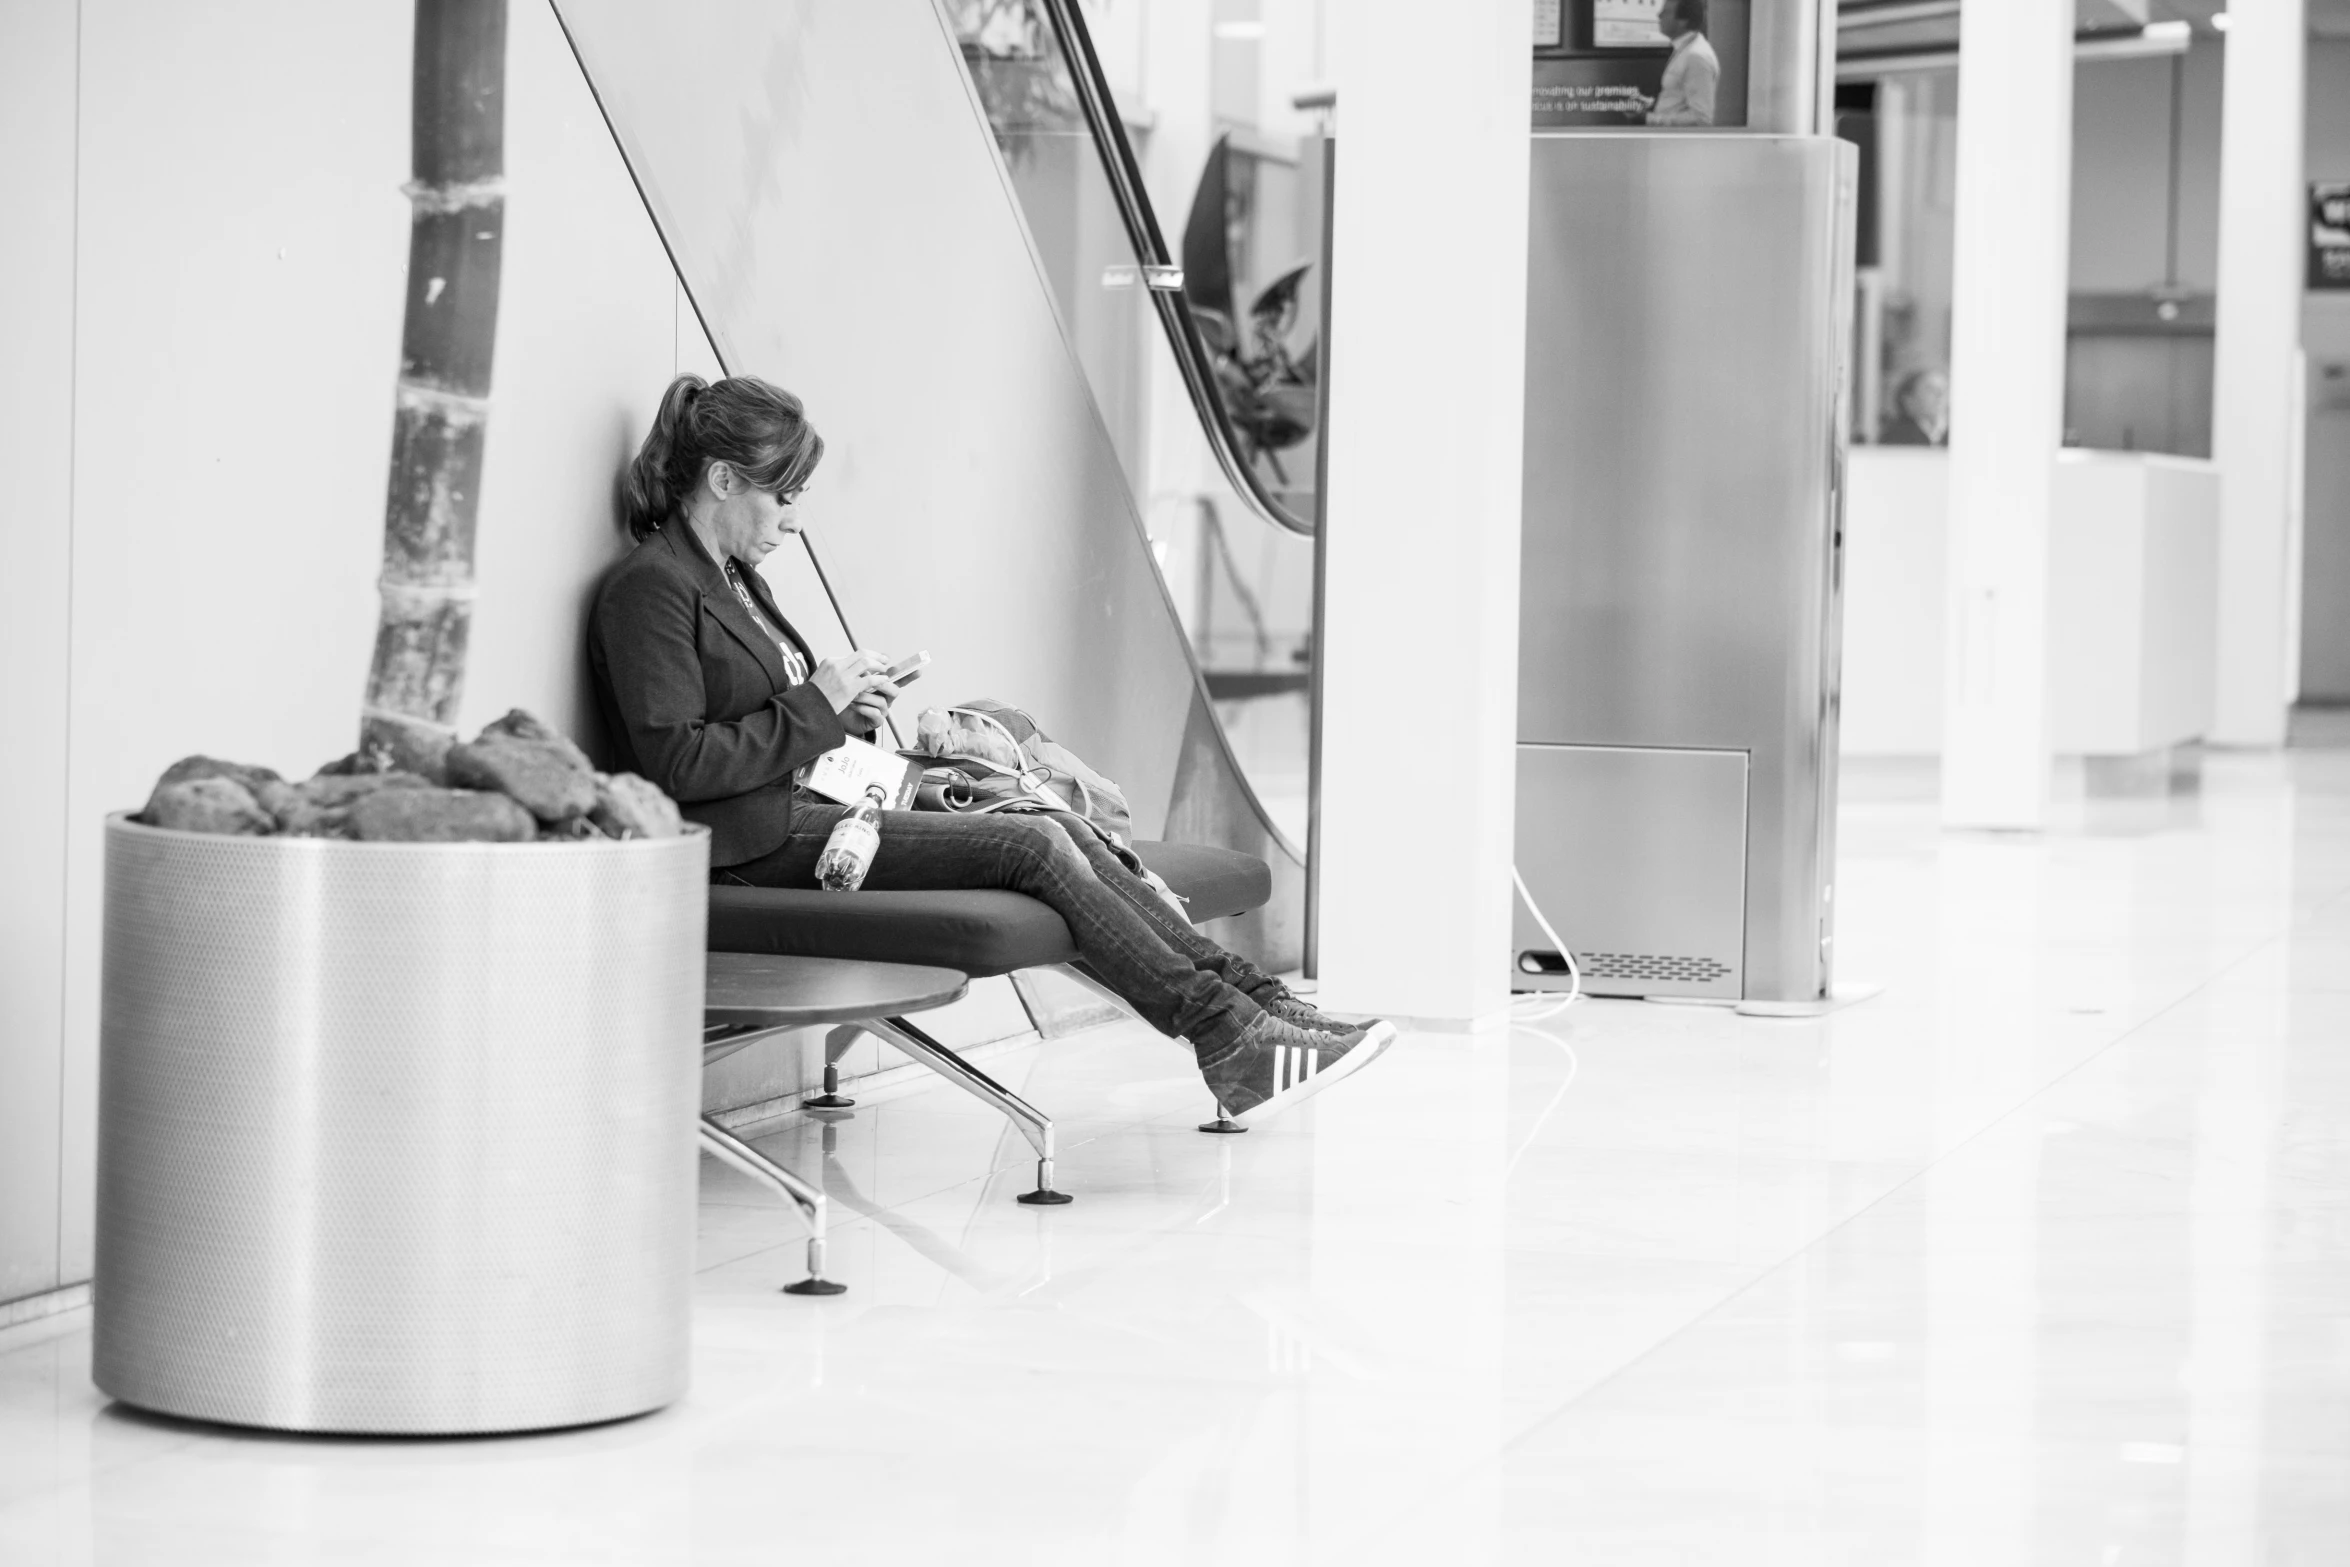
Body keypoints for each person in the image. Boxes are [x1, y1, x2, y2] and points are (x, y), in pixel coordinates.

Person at [587, 374, 1396, 1125]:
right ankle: (1231, 1039)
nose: (793, 520)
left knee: (1054, 821)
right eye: (784, 497)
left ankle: (1257, 1008)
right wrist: (817, 703)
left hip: (812, 809)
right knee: (1032, 840)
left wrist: (848, 711)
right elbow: (677, 765)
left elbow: (776, 721)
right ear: (725, 480)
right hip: (746, 846)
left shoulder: (730, 577)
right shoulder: (650, 589)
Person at [1645, 0, 1719, 128]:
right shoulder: (1684, 49)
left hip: (1678, 146)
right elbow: (1677, 99)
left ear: (1682, 21)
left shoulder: (1697, 57)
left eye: (1666, 12)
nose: (1659, 15)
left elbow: (1701, 119)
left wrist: (1650, 119)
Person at [1879, 367, 1950, 446]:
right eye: (1930, 389)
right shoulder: (1893, 438)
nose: (1940, 394)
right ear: (1909, 400)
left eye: (1945, 389)